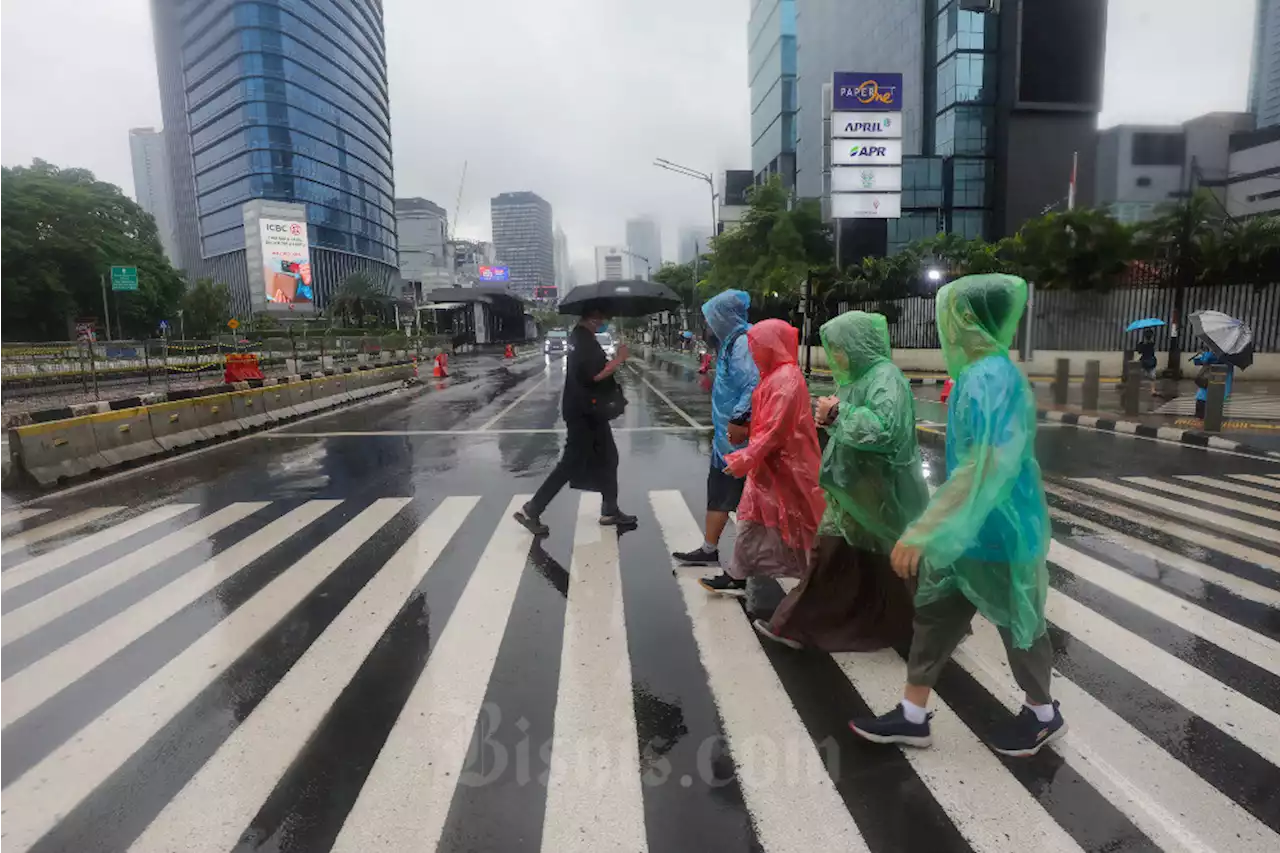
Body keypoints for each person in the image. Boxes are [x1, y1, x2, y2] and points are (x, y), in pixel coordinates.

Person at [849, 274, 1064, 758]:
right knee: (936, 612)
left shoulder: (992, 378)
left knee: (1018, 622)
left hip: (1001, 530)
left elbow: (985, 464)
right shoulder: (975, 375)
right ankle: (912, 715)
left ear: (969, 320)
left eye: (951, 312)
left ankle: (1043, 713)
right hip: (967, 529)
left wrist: (925, 529)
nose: (945, 323)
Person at [753, 312, 928, 651]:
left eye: (840, 348)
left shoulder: (885, 378)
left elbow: (885, 430)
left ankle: (796, 627)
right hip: (855, 493)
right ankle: (800, 627)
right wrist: (833, 418)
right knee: (853, 560)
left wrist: (837, 414)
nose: (836, 356)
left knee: (857, 559)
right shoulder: (858, 378)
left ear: (859, 344)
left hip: (878, 493)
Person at [700, 319, 824, 596]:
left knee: (799, 526)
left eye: (757, 346)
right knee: (751, 520)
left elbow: (776, 430)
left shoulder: (787, 380)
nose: (753, 353)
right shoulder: (773, 376)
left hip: (790, 470)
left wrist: (746, 457)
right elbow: (765, 423)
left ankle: (817, 579)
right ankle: (737, 573)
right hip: (770, 468)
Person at [515, 307, 637, 535]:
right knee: (570, 463)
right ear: (592, 318)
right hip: (584, 412)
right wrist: (619, 359)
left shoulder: (580, 337)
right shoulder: (583, 341)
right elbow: (595, 375)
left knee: (609, 457)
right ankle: (532, 509)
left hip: (588, 410)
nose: (604, 322)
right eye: (602, 318)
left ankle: (610, 510)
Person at [673, 291, 759, 568]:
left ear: (724, 317)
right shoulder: (730, 342)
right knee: (720, 491)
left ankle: (749, 564)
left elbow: (752, 384)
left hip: (739, 436)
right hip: (726, 436)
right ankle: (710, 549)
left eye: (711, 319)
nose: (708, 326)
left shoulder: (744, 342)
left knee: (747, 501)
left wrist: (739, 419)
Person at [1193, 349, 1234, 419]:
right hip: (1219, 393)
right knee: (1214, 420)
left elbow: (1204, 360)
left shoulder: (1214, 354)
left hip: (1205, 395)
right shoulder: (1232, 357)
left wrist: (1204, 354)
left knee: (1203, 419)